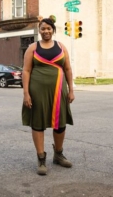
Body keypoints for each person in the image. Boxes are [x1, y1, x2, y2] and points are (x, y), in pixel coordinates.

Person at [22, 17, 75, 175]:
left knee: (60, 124)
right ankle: (41, 159)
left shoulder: (61, 47)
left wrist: (71, 89)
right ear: (39, 30)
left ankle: (58, 155)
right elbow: (26, 71)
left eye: (49, 28)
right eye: (43, 28)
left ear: (53, 30)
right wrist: (26, 93)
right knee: (38, 123)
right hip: (37, 91)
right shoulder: (33, 48)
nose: (46, 31)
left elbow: (68, 69)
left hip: (59, 90)